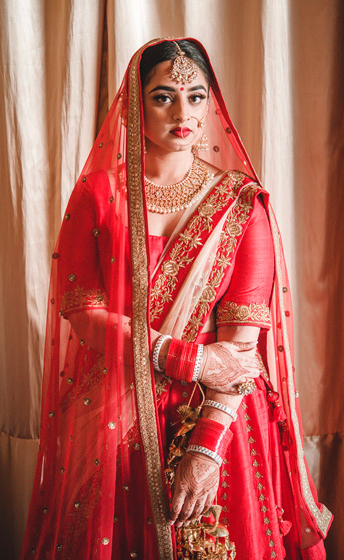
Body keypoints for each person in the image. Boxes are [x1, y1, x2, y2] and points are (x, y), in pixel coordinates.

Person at [20, 38, 332, 560]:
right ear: (135, 103)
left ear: (212, 103)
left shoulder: (240, 203)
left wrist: (206, 450)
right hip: (115, 412)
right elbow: (83, 313)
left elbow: (238, 351)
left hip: (218, 416)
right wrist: (187, 357)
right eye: (163, 96)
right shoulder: (98, 194)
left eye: (195, 95)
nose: (183, 112)